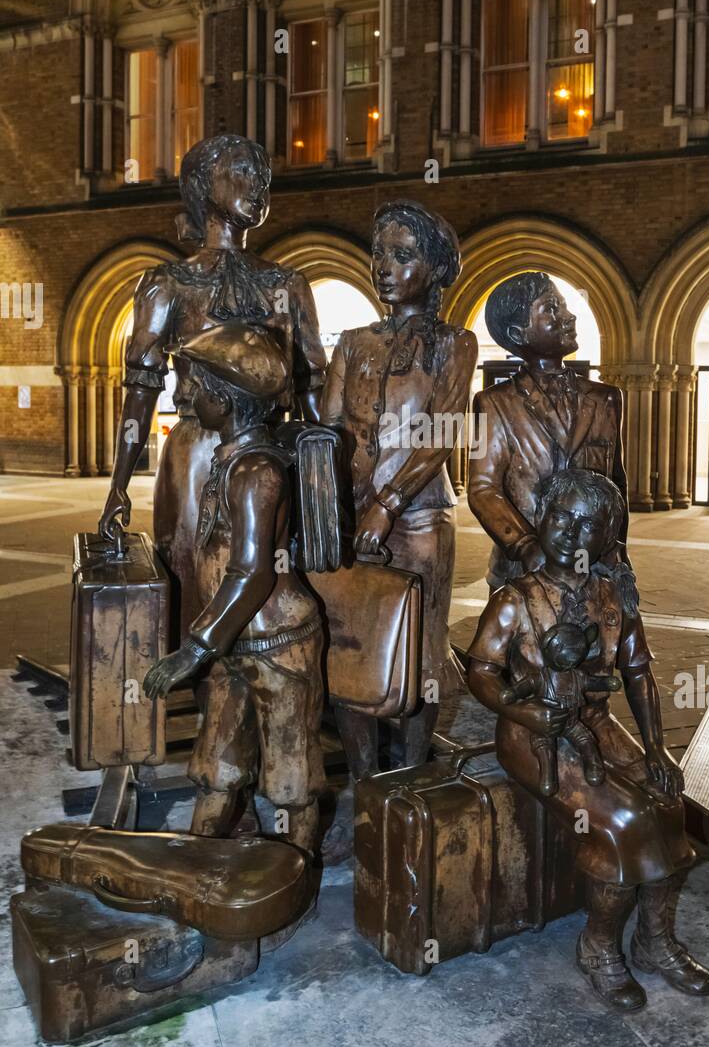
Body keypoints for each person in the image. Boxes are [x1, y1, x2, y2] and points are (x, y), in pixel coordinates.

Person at [468, 468, 709, 1011]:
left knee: (669, 802)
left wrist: (656, 751)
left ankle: (655, 941)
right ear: (541, 518)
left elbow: (640, 673)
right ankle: (598, 945)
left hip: (594, 723)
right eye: (561, 516)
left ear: (608, 537)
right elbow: (481, 670)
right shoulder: (518, 598)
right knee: (624, 819)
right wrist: (525, 709)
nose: (570, 533)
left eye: (588, 525)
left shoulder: (612, 596)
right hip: (533, 734)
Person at [99, 134, 326, 637]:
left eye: (264, 177)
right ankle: (200, 679)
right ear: (203, 184)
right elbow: (141, 389)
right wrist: (117, 486)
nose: (258, 187)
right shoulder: (169, 282)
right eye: (243, 172)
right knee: (189, 576)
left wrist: (325, 473)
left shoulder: (287, 284)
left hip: (268, 450)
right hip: (195, 454)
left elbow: (312, 384)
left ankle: (264, 675)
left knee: (270, 571)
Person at [143, 322, 325, 852]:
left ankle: (296, 870)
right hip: (234, 644)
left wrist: (195, 649)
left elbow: (253, 570)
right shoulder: (229, 460)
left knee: (291, 779)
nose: (182, 396)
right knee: (216, 762)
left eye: (193, 385)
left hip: (278, 646)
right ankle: (199, 858)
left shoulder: (258, 471)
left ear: (225, 397)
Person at [321, 200, 477, 774]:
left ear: (434, 269)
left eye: (402, 255)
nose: (384, 266)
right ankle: (367, 787)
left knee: (422, 652)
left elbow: (442, 434)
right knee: (350, 646)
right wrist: (329, 504)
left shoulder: (453, 344)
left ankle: (409, 778)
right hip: (352, 514)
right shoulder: (353, 342)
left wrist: (385, 507)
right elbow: (331, 427)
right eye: (379, 253)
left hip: (418, 519)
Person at [469, 271, 628, 590]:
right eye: (552, 308)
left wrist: (615, 552)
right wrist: (526, 546)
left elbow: (615, 484)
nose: (569, 317)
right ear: (518, 332)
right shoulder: (495, 403)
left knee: (594, 635)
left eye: (565, 306)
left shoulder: (604, 399)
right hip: (524, 568)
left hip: (590, 562)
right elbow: (483, 488)